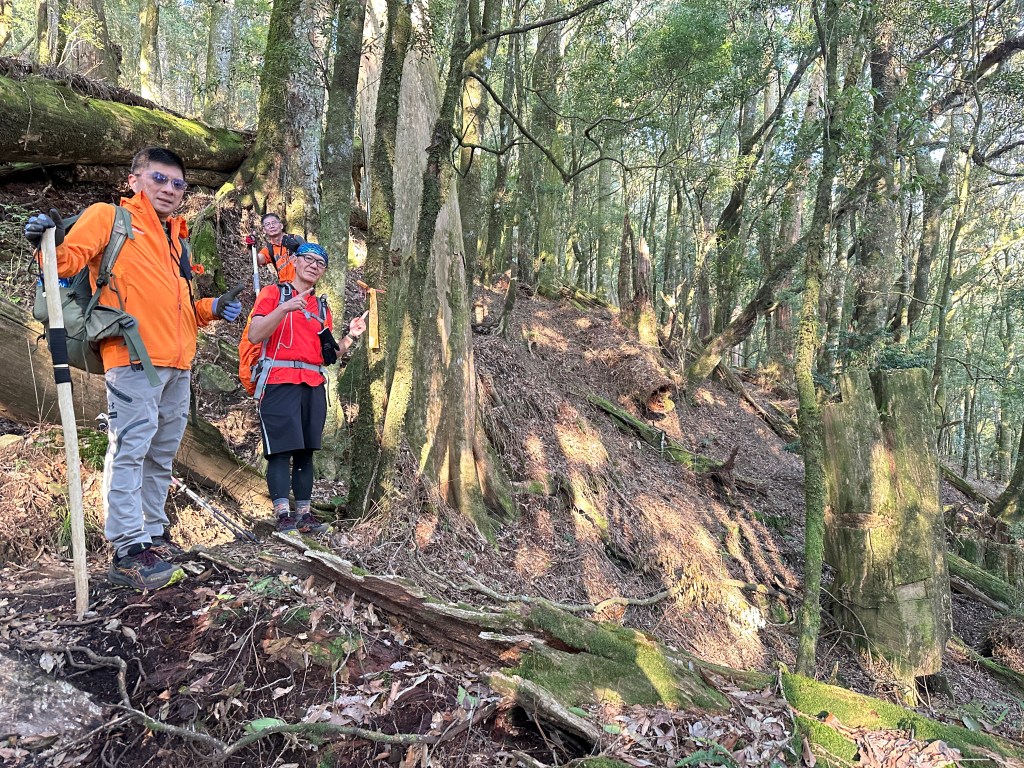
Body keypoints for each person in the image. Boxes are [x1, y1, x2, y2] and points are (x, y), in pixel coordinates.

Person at [23, 147, 243, 591]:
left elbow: (180, 308)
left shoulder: (176, 240)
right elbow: (64, 262)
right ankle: (127, 550)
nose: (169, 189)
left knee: (161, 454)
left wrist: (212, 307)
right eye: (159, 178)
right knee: (129, 449)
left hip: (178, 362)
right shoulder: (110, 218)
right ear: (134, 180)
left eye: (178, 183)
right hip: (131, 357)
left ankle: (153, 535)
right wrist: (45, 240)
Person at [248, 242, 366, 534]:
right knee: (279, 451)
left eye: (320, 263)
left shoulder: (322, 307)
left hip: (313, 384)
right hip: (278, 381)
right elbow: (255, 334)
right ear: (296, 262)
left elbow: (328, 356)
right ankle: (282, 516)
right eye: (308, 259)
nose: (314, 265)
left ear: (323, 271)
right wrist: (285, 308)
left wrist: (350, 336)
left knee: (305, 452)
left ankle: (304, 515)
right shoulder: (273, 294)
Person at [256, 213, 305, 283]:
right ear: (264, 230)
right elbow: (257, 260)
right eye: (267, 224)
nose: (271, 226)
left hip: (301, 284)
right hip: (284, 286)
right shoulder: (269, 249)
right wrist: (252, 246)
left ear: (281, 226)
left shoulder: (295, 239)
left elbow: (311, 255)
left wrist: (297, 249)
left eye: (274, 223)